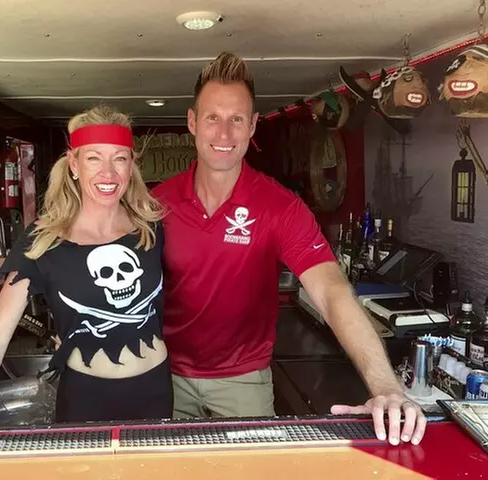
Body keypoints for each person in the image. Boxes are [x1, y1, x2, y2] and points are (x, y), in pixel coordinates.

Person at [152, 52, 427, 446]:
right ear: (193, 123)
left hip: (244, 382)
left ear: (252, 126)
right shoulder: (156, 204)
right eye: (213, 117)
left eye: (236, 120)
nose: (224, 133)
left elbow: (331, 291)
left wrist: (386, 387)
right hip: (167, 375)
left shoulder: (280, 207)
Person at [0, 105, 172, 446]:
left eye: (119, 158)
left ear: (132, 166)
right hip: (86, 397)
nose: (108, 172)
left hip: (155, 391)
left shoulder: (151, 228)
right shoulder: (44, 241)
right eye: (94, 158)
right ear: (74, 164)